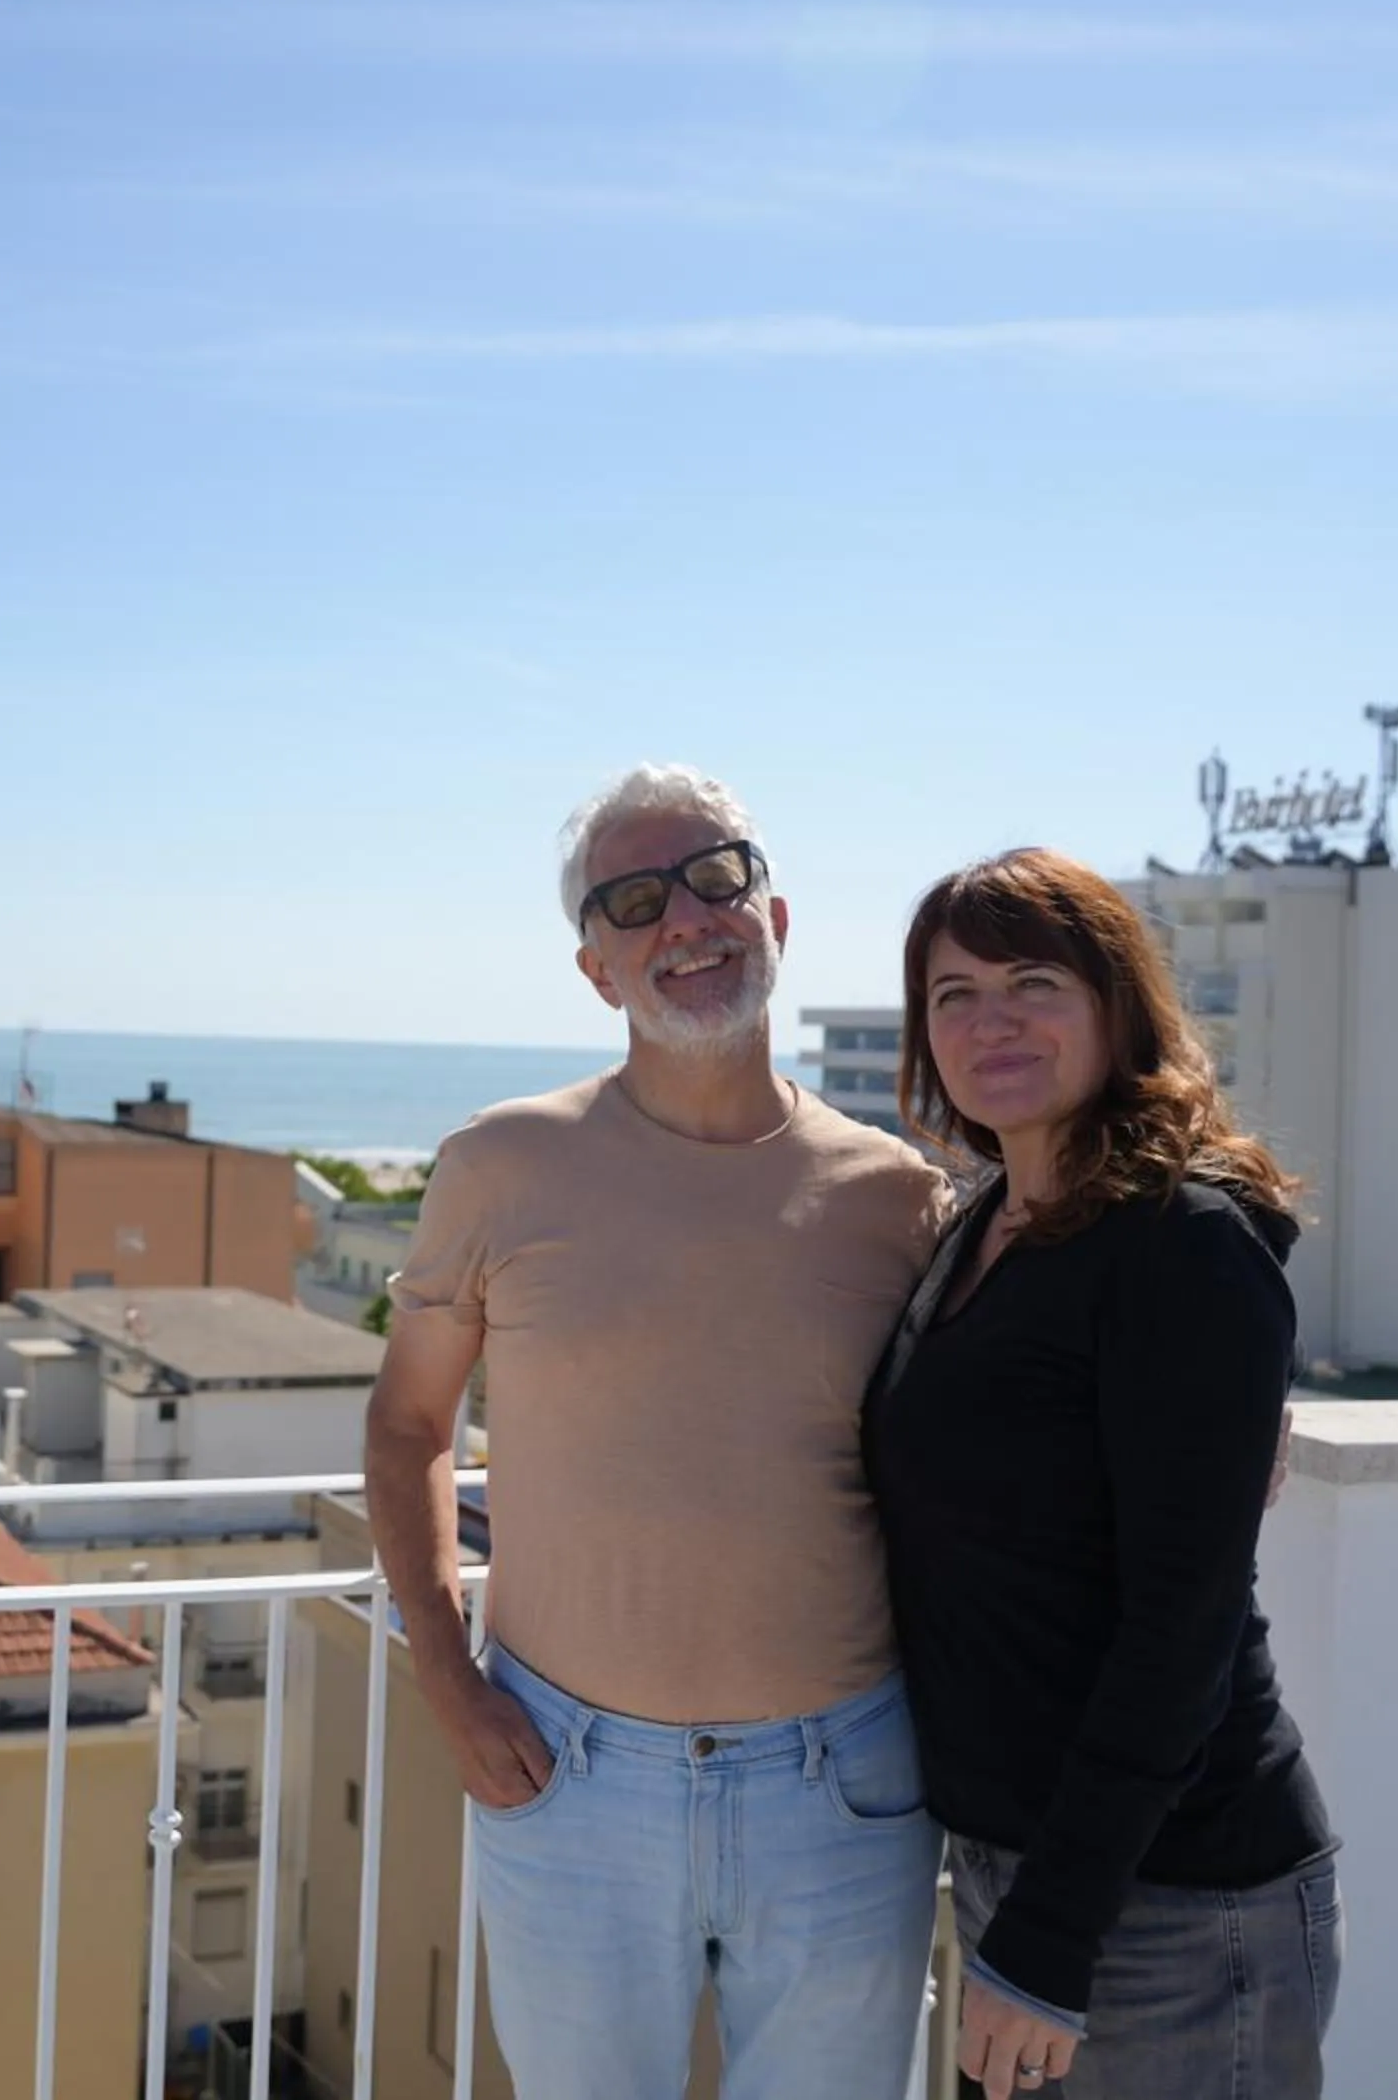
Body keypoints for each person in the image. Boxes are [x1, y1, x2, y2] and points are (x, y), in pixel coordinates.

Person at [365, 763, 952, 2100]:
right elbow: (407, 1429)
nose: (684, 920)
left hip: (847, 1787)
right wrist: (447, 1683)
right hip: (568, 1773)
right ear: (595, 970)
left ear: (776, 917)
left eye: (715, 877)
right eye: (635, 902)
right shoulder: (500, 1168)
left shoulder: (898, 1196)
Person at [865, 850, 1342, 2100]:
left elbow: (1176, 1627)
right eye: (954, 992)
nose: (992, 1017)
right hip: (1019, 1866)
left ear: (1118, 1008)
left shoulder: (1182, 1243)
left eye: (1035, 980)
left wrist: (1051, 1933)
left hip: (1174, 1904)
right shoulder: (983, 1224)